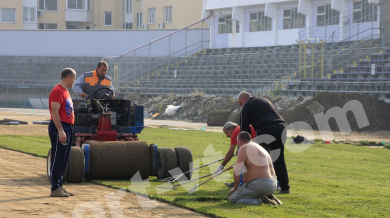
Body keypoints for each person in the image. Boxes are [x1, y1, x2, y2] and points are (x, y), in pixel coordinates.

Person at [237, 91, 290, 194]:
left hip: (266, 129)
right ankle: (284, 187)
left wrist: (245, 147)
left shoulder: (246, 106)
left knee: (258, 159)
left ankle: (256, 185)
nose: (241, 106)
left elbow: (244, 130)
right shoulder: (264, 100)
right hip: (281, 127)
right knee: (278, 159)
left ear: (243, 99)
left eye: (240, 103)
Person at [228, 131, 282, 205]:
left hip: (261, 184)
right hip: (273, 184)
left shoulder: (244, 147)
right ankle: (268, 197)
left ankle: (261, 201)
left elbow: (237, 170)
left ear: (239, 141)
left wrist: (235, 187)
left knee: (232, 198)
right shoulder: (260, 147)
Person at [48, 68, 77, 197]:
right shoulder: (57, 91)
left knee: (64, 158)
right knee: (58, 157)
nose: (75, 81)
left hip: (67, 126)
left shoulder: (65, 91)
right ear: (69, 77)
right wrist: (61, 131)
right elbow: (54, 112)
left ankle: (59, 185)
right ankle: (54, 188)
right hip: (60, 126)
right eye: (74, 78)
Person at [215, 121, 256, 188]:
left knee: (242, 160)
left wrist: (221, 166)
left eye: (227, 133)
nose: (227, 136)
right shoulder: (239, 129)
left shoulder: (236, 132)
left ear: (231, 128)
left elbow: (230, 152)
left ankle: (240, 183)